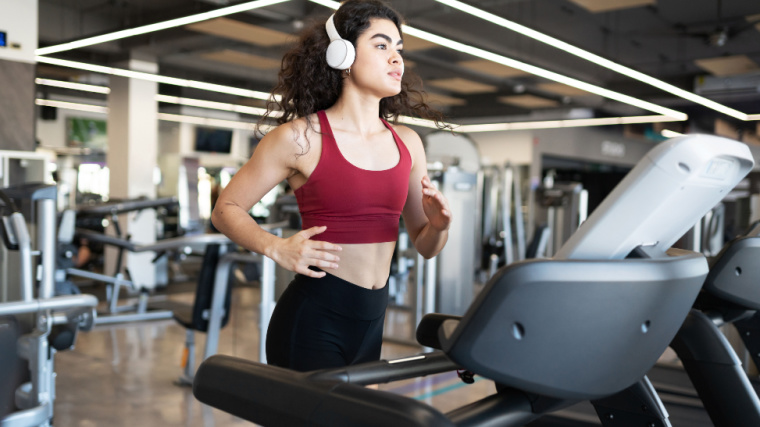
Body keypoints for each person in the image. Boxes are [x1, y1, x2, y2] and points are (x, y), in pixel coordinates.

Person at [211, 0, 452, 372]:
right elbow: (225, 209)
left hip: (371, 325)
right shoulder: (299, 138)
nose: (397, 59)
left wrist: (438, 228)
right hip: (312, 322)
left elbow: (426, 246)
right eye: (381, 45)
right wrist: (275, 247)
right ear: (343, 55)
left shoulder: (408, 142)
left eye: (399, 49)